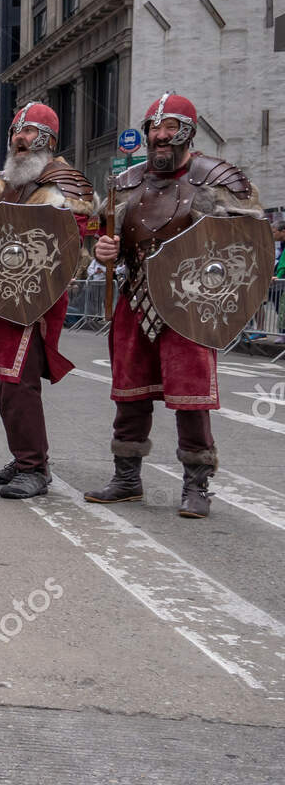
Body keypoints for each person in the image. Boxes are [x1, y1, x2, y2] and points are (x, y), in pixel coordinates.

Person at [85, 92, 265, 518]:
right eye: (154, 128)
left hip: (192, 303)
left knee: (192, 397)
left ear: (189, 132)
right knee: (129, 394)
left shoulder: (218, 180)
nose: (161, 136)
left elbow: (250, 243)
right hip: (136, 297)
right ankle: (127, 478)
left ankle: (196, 485)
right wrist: (102, 251)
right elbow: (99, 235)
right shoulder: (124, 182)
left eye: (171, 129)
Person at [0, 103, 96, 499]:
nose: (19, 139)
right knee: (2, 380)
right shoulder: (15, 182)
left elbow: (68, 244)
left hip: (33, 300)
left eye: (28, 132)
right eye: (16, 132)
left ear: (47, 138)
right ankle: (25, 456)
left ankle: (34, 467)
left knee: (18, 382)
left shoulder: (64, 183)